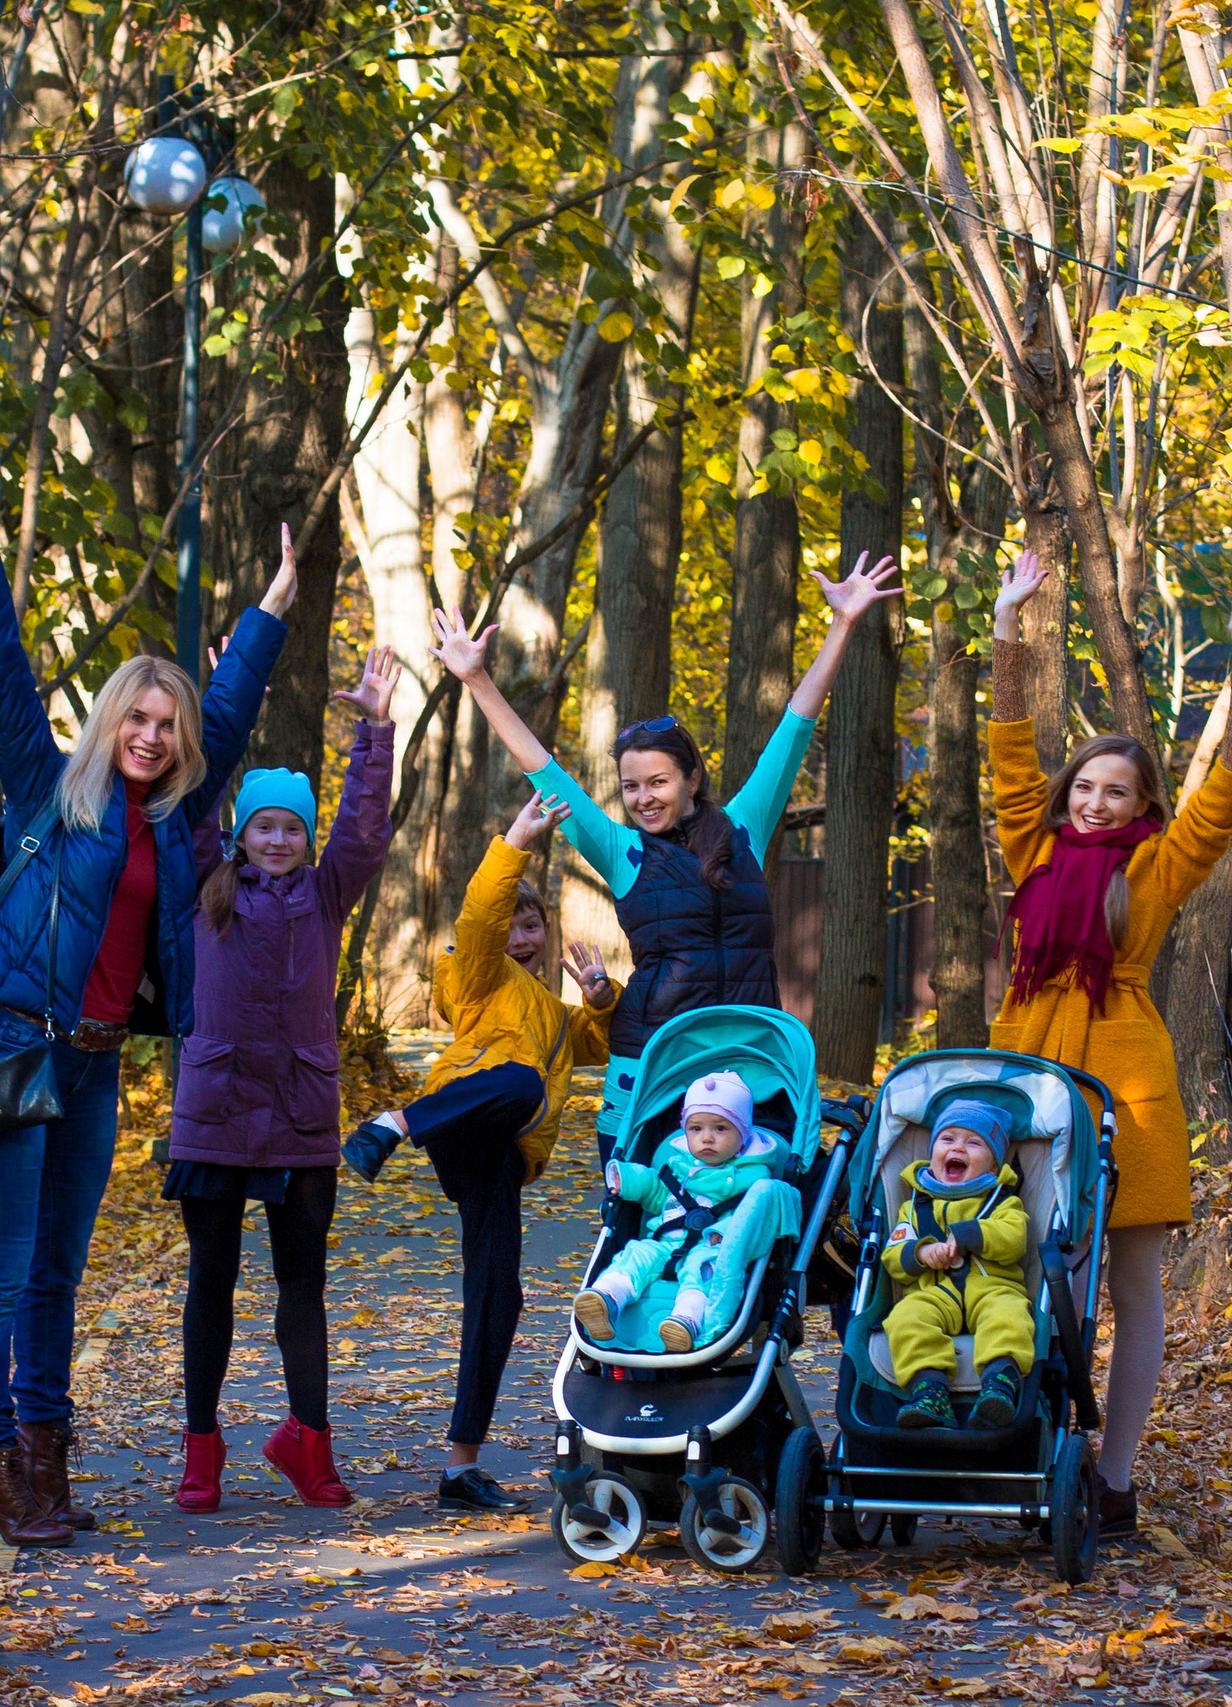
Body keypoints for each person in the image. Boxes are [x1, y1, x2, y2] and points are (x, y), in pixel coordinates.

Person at [0, 453, 297, 1548]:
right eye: (135, 718)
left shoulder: (177, 819)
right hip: (6, 1045)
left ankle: (46, 1467)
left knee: (54, 1272)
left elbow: (226, 712)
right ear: (106, 725)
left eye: (166, 724)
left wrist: (269, 610)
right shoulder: (52, 792)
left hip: (88, 1061)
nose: (151, 735)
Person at [426, 554, 901, 1159]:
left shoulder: (743, 828)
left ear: (691, 778)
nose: (643, 798)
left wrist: (843, 626)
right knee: (639, 1208)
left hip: (751, 1051)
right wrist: (478, 682)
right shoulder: (622, 850)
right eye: (630, 786)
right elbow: (541, 769)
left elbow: (796, 726)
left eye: (658, 782)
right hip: (654, 1054)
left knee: (769, 1194)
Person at [984, 550, 1232, 1538]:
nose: (1094, 804)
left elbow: (1227, 792)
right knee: (1028, 1267)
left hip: (1125, 1081)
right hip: (1025, 1067)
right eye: (1085, 790)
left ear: (1141, 807)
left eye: (1115, 793)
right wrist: (1008, 628)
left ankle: (1113, 1475)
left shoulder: (1157, 865)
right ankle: (1022, 1439)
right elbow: (1009, 753)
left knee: (1130, 1284)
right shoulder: (1033, 846)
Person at [163, 646, 398, 1514]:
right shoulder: (206, 883)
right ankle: (202, 1447)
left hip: (302, 1113)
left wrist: (373, 731)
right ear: (241, 831)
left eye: (291, 827)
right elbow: (196, 792)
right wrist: (229, 693)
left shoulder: (327, 890)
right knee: (210, 1280)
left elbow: (365, 827)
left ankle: (310, 1440)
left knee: (303, 1284)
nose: (278, 838)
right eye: (264, 824)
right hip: (216, 1111)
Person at [339, 794, 620, 1512]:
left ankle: (460, 1465)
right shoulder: (478, 977)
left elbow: (603, 1043)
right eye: (514, 926)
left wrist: (600, 998)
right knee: (522, 1082)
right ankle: (396, 1121)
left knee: (500, 1293)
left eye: (533, 924)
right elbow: (479, 921)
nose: (522, 937)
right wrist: (514, 846)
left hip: (502, 1160)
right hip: (462, 1118)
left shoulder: (555, 1018)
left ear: (548, 930)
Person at [571, 1070, 801, 1353]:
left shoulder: (752, 1179)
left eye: (720, 1128)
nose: (707, 1138)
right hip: (665, 1243)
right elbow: (656, 1193)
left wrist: (722, 1232)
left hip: (711, 1247)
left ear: (743, 1135)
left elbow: (751, 1221)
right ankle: (605, 1300)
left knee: (702, 1274)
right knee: (635, 1256)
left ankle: (685, 1322)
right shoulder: (679, 1166)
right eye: (696, 1129)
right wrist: (628, 1179)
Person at [879, 1101, 1034, 1432]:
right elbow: (893, 1254)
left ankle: (1000, 1384)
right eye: (947, 1139)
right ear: (932, 1151)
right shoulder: (914, 1206)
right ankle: (929, 1390)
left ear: (993, 1165)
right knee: (905, 1319)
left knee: (1009, 1316)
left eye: (974, 1143)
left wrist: (972, 1234)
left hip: (992, 1289)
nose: (958, 1147)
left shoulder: (1002, 1201)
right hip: (935, 1293)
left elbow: (1014, 1238)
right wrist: (921, 1253)